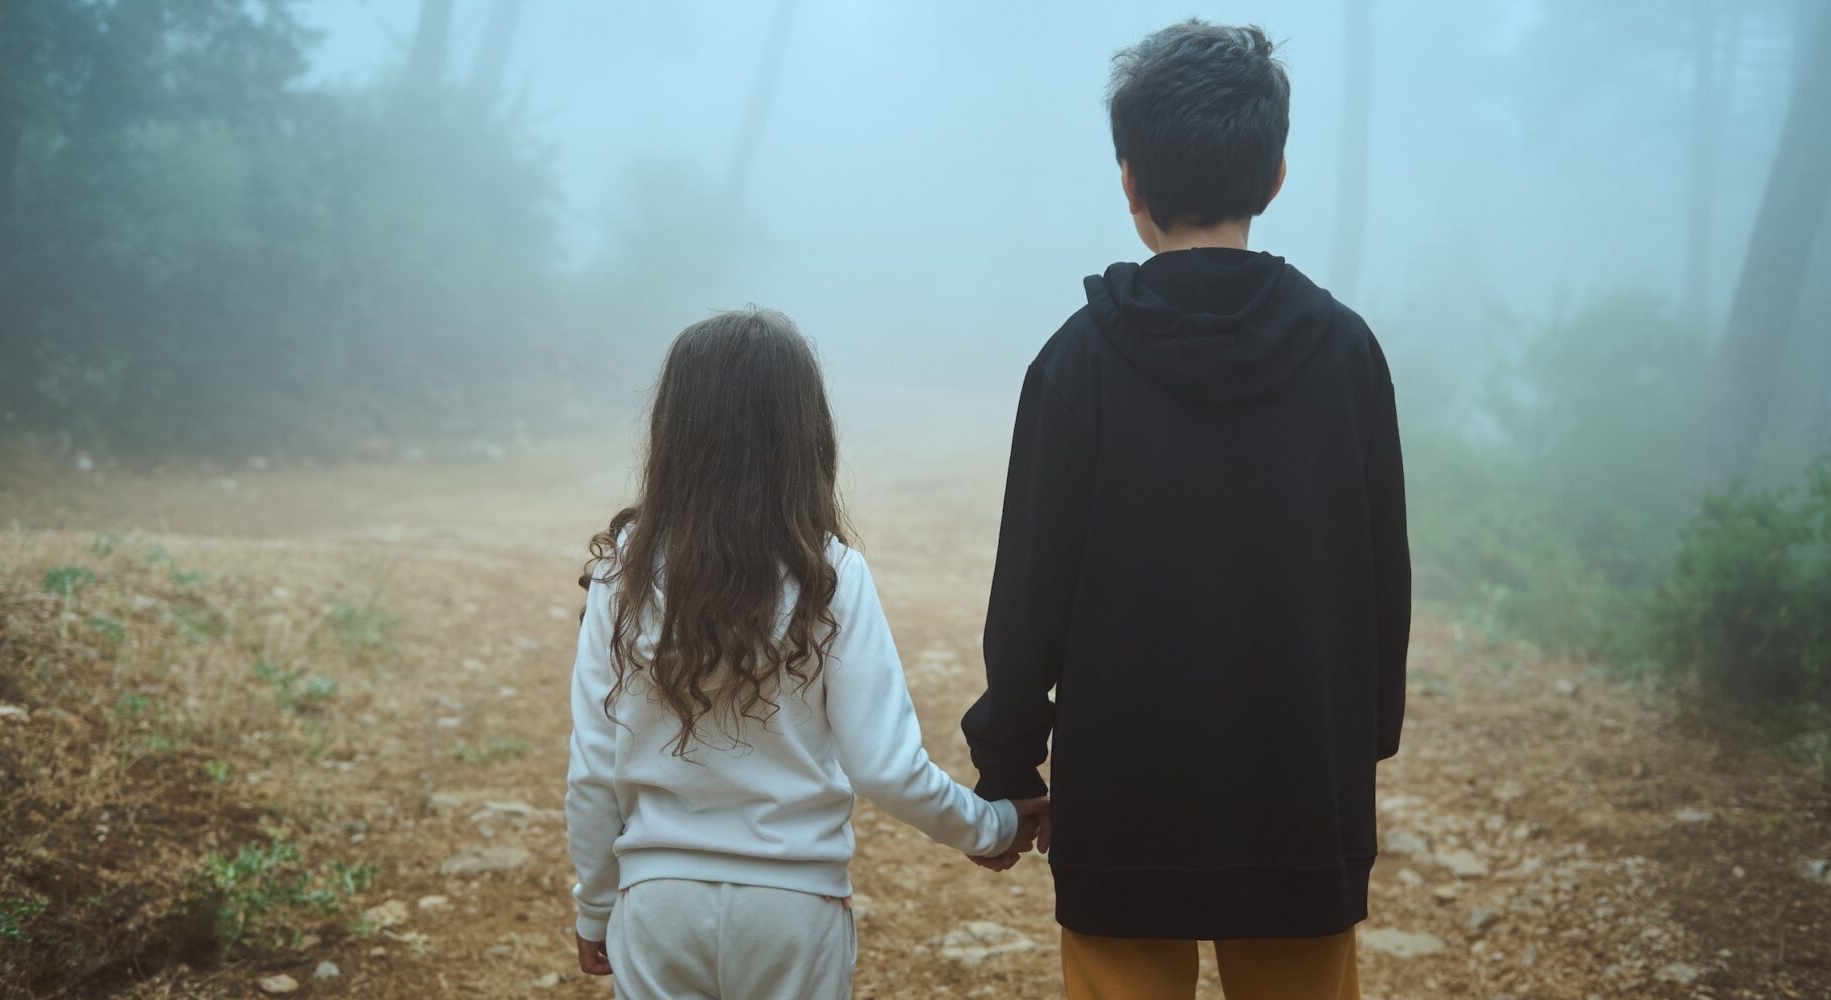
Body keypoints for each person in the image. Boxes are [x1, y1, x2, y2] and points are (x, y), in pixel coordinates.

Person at [961, 19, 1411, 1000]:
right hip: (1302, 800)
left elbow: (1028, 587)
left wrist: (1008, 762)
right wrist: (1358, 742)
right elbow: (1382, 582)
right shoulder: (1345, 357)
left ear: (1129, 181)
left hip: (1122, 811)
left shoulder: (1075, 362)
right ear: (1276, 173)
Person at [564, 308, 1046, 999]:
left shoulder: (623, 577)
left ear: (672, 433)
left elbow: (591, 774)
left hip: (655, 905)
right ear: (804, 435)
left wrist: (596, 907)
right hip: (795, 910)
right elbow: (888, 770)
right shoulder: (833, 576)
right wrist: (991, 826)